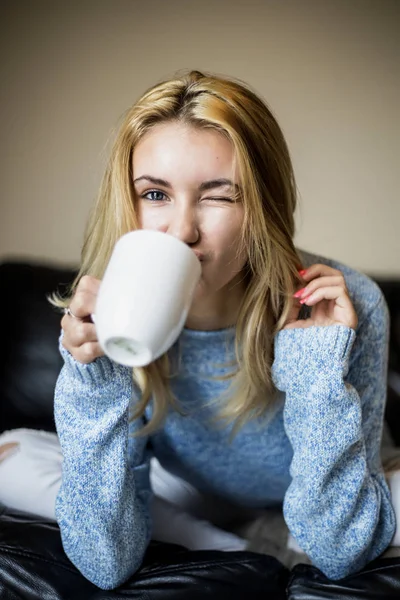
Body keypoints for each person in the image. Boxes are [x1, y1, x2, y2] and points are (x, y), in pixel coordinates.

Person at [0, 69, 399, 590]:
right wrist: (93, 385)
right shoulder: (112, 306)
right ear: (129, 199)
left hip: (330, 486)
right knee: (9, 454)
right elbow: (103, 561)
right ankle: (251, 547)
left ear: (261, 206)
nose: (183, 230)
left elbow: (341, 549)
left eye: (218, 196)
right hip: (192, 489)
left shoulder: (342, 303)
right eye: (156, 194)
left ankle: (246, 536)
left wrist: (317, 369)